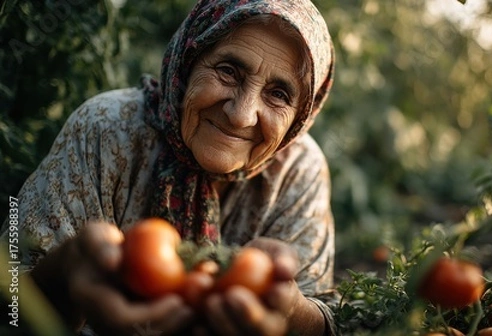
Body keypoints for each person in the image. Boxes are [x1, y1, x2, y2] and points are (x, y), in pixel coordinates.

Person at [0, 0, 336, 335]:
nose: (241, 115)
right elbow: (10, 303)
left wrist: (291, 312)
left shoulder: (297, 171)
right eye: (228, 71)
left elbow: (329, 320)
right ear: (188, 62)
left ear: (300, 117)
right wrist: (64, 273)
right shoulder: (106, 128)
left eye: (278, 93)